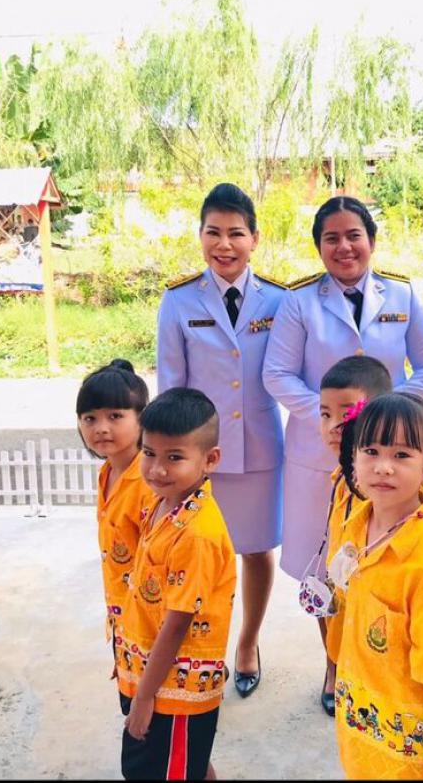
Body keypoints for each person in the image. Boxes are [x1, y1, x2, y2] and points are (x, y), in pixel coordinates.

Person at [263, 195, 423, 585]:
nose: (344, 247)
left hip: (388, 450)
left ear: (371, 241)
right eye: (331, 238)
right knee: (323, 567)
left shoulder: (400, 294)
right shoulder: (300, 300)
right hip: (319, 452)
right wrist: (334, 416)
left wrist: (388, 412)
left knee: (386, 561)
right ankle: (330, 629)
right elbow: (277, 374)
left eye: (353, 236)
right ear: (319, 247)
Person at [157, 183, 285, 697]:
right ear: (200, 236)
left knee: (254, 550)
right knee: (199, 555)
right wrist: (173, 457)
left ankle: (248, 643)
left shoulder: (280, 299)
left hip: (260, 448)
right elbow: (171, 384)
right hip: (200, 455)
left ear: (255, 238)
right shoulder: (178, 300)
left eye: (236, 233)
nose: (224, 244)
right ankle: (201, 651)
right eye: (213, 232)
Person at [330, 393, 423, 779]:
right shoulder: (357, 523)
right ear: (354, 457)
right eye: (371, 451)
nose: (383, 467)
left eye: (402, 455)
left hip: (411, 751)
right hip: (362, 727)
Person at [117, 388, 236, 781]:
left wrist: (144, 697)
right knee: (187, 766)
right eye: (149, 453)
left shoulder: (197, 534)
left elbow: (177, 623)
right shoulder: (165, 503)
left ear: (210, 459)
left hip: (173, 693)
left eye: (174, 457)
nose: (157, 469)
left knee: (167, 770)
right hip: (151, 675)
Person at [314, 355, 393, 717]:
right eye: (324, 414)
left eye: (346, 414)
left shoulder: (383, 490)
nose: (333, 426)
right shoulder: (342, 478)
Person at [76, 359, 153, 673]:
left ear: (142, 419)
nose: (101, 428)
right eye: (90, 418)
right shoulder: (107, 472)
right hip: (122, 609)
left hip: (152, 619)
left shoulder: (151, 483)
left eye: (115, 416)